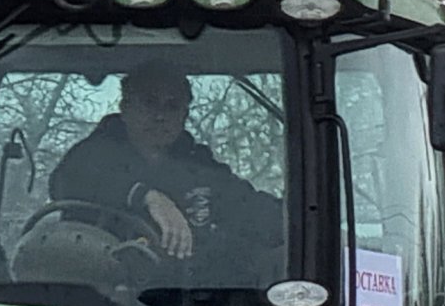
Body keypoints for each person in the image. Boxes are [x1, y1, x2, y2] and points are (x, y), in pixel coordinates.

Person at [48, 62, 280, 262]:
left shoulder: (201, 168)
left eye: (172, 106)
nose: (160, 115)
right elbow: (67, 181)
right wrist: (146, 196)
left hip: (187, 296)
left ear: (184, 114)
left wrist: (302, 222)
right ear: (125, 107)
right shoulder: (91, 156)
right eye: (149, 103)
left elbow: (249, 208)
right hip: (101, 296)